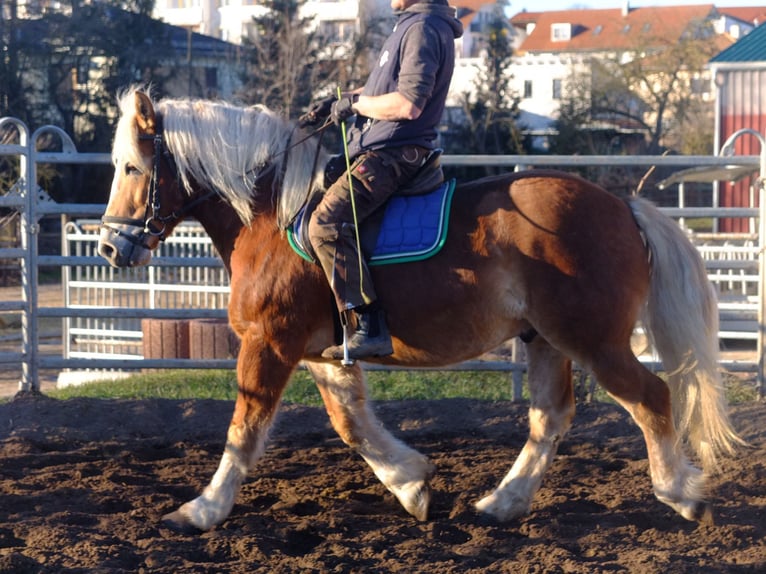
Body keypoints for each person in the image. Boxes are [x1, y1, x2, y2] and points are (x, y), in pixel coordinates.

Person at [303, 0, 463, 361]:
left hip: (391, 157)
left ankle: (368, 324)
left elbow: (408, 104)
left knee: (325, 225)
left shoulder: (422, 27)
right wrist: (341, 100)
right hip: (381, 149)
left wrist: (356, 108)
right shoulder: (411, 25)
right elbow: (384, 90)